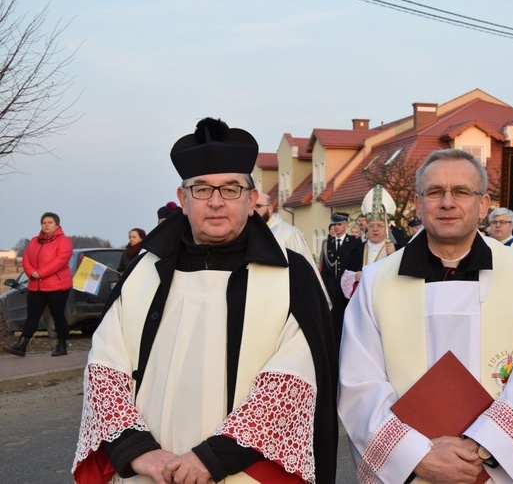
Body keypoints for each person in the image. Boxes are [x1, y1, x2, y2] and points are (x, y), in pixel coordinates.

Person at [72, 117, 338, 484]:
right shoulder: (142, 273)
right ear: (183, 199)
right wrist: (137, 450)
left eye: (231, 189)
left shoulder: (291, 277)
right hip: (150, 471)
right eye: (201, 189)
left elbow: (293, 381)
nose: (215, 202)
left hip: (244, 472)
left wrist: (213, 457)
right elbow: (105, 367)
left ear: (251, 200)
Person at [338, 149, 513, 483]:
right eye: (434, 192)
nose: (447, 202)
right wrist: (416, 454)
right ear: (418, 204)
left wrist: (483, 446)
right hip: (415, 471)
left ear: (483, 204)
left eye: (461, 191)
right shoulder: (378, 280)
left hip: (490, 468)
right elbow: (360, 383)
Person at [3, 212, 73, 358]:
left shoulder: (64, 241)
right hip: (36, 286)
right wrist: (31, 273)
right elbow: (26, 258)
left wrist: (41, 273)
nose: (46, 225)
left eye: (49, 222)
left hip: (57, 285)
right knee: (32, 315)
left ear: (57, 225)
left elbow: (60, 260)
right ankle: (22, 344)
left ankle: (62, 345)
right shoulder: (34, 240)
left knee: (57, 315)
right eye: (44, 222)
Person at [255, 193, 331, 308]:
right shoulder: (251, 233)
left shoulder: (288, 233)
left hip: (284, 296)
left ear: (270, 208)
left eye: (258, 206)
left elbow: (303, 268)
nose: (254, 211)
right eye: (252, 207)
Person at [341, 185, 398, 299]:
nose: (375, 229)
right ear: (367, 228)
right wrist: (355, 276)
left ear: (387, 229)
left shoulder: (397, 250)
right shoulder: (356, 251)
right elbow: (344, 276)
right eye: (372, 226)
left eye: (380, 226)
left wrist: (394, 255)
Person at [320, 212, 358, 344]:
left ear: (346, 225)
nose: (336, 227)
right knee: (331, 317)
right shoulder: (328, 243)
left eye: (339, 224)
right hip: (331, 286)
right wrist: (322, 286)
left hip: (346, 287)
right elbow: (325, 267)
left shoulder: (354, 242)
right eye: (334, 224)